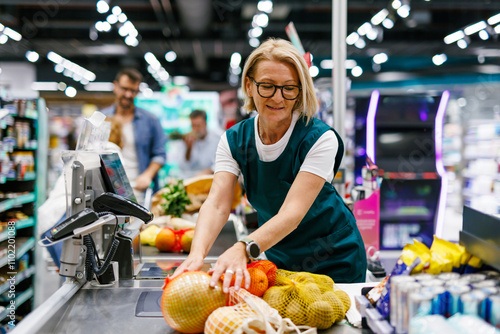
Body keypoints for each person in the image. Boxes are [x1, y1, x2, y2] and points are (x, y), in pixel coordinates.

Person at [172, 38, 367, 292]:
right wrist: (196, 255)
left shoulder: (319, 139)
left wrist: (244, 247)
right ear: (249, 86)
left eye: (289, 88)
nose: (278, 98)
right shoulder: (235, 140)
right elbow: (218, 204)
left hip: (335, 261)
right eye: (267, 86)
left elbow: (291, 214)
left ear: (300, 90)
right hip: (281, 260)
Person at [101, 68, 166, 204]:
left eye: (133, 91)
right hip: (107, 190)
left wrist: (148, 175)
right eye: (125, 89)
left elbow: (160, 154)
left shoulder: (150, 120)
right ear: (115, 86)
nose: (129, 95)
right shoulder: (102, 118)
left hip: (138, 190)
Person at [177, 109, 220, 179]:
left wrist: (210, 170)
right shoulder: (185, 139)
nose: (195, 129)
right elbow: (182, 167)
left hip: (209, 179)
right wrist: (188, 149)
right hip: (189, 179)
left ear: (205, 124)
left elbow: (221, 163)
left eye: (198, 125)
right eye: (193, 126)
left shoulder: (217, 139)